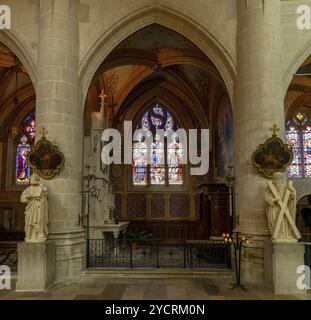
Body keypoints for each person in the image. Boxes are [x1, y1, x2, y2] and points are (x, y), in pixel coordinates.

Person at [264, 171, 301, 242]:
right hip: (275, 208)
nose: (279, 180)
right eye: (277, 179)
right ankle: (277, 235)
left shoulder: (285, 188)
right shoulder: (270, 189)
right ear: (273, 180)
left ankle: (285, 236)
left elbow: (290, 197)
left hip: (284, 209)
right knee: (276, 222)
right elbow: (266, 199)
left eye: (280, 179)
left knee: (285, 223)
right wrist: (274, 199)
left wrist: (292, 195)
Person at [20, 173, 48, 242]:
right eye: (31, 179)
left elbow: (45, 196)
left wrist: (42, 194)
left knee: (39, 220)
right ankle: (29, 236)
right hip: (30, 208)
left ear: (37, 179)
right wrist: (27, 196)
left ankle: (40, 235)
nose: (32, 180)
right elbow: (22, 198)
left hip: (39, 207)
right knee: (29, 221)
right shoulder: (28, 189)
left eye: (34, 178)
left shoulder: (41, 187)